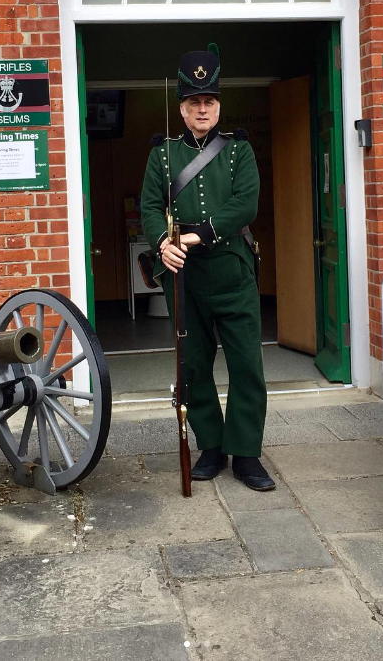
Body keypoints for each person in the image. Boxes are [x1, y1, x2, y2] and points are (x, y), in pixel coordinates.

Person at [140, 50, 274, 491]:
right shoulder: (163, 155)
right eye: (195, 102)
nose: (203, 109)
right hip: (185, 278)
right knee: (193, 366)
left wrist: (195, 236)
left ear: (219, 107)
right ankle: (212, 447)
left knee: (246, 365)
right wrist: (162, 243)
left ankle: (247, 454)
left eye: (210, 102)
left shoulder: (239, 149)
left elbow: (246, 205)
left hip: (233, 270)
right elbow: (150, 207)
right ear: (182, 107)